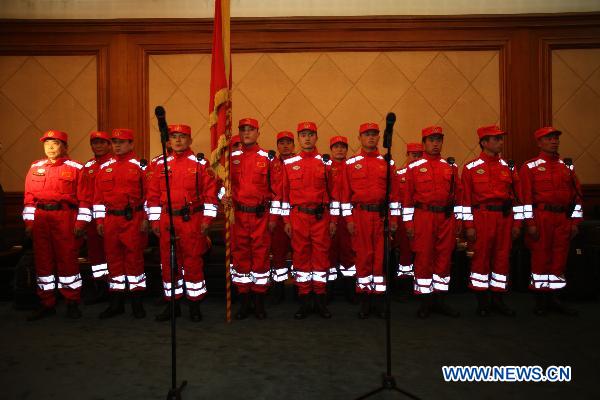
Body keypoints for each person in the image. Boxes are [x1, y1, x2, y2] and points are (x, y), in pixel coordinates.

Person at [147, 124, 217, 322]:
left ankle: (195, 305)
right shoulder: (159, 165)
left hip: (191, 221)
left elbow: (210, 196)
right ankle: (172, 304)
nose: (178, 140)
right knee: (169, 265)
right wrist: (154, 220)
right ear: (169, 141)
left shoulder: (200, 165)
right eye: (174, 136)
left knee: (193, 263)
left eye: (182, 137)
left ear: (190, 140)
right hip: (167, 220)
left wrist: (207, 220)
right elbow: (152, 196)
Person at [23, 130, 87, 320]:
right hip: (41, 219)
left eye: (55, 143)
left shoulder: (76, 168)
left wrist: (81, 222)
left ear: (65, 147)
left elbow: (85, 199)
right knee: (43, 262)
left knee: (67, 261)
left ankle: (72, 302)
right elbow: (29, 199)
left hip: (65, 217)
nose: (50, 147)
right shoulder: (35, 167)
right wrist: (29, 222)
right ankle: (46, 303)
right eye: (47, 143)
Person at [519, 126, 583, 316]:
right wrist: (530, 223)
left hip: (562, 218)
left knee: (559, 259)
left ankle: (554, 297)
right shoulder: (529, 167)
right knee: (540, 258)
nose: (554, 141)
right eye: (549, 138)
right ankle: (540, 299)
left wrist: (575, 223)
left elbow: (577, 197)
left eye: (556, 138)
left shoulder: (566, 167)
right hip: (542, 217)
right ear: (539, 143)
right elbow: (525, 200)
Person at [339, 123, 399, 318]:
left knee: (379, 260)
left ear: (379, 138)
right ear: (360, 138)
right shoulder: (350, 164)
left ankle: (378, 300)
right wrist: (348, 219)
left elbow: (395, 196)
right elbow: (345, 196)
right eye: (367, 135)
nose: (371, 138)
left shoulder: (387, 163)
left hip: (381, 217)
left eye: (374, 134)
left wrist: (394, 219)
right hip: (360, 216)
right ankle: (365, 300)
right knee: (363, 258)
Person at [460, 125, 522, 317]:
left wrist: (517, 224)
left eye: (501, 139)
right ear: (484, 142)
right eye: (496, 139)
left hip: (504, 219)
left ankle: (498, 299)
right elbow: (465, 202)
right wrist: (469, 226)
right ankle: (482, 301)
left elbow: (518, 199)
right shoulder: (470, 168)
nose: (500, 142)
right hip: (482, 218)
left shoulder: (509, 167)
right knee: (481, 259)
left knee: (502, 258)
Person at [402, 126, 461, 318]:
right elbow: (408, 200)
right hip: (423, 217)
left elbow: (458, 196)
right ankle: (425, 302)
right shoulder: (413, 167)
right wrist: (409, 224)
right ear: (424, 143)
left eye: (439, 140)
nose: (436, 144)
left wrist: (458, 222)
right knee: (424, 258)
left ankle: (440, 300)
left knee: (444, 258)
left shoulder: (451, 167)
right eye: (431, 140)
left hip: (445, 218)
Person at [280, 121, 336, 319]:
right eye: (303, 134)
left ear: (316, 137)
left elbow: (333, 194)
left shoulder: (326, 162)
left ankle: (320, 300)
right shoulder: (288, 164)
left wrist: (333, 221)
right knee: (301, 258)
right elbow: (284, 196)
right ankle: (304, 300)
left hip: (321, 217)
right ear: (299, 139)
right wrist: (287, 220)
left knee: (321, 259)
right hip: (298, 217)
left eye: (311, 134)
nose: (307, 138)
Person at [93, 128, 148, 319]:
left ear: (131, 144)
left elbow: (150, 196)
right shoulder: (104, 167)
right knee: (113, 262)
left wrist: (145, 219)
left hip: (132, 219)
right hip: (110, 220)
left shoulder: (141, 166)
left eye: (122, 142)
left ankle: (137, 303)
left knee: (134, 261)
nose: (117, 145)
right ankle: (116, 304)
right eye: (114, 142)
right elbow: (98, 198)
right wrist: (100, 220)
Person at [228, 118, 278, 320]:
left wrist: (274, 217)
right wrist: (223, 196)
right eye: (243, 130)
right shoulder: (230, 158)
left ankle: (258, 302)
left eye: (250, 130)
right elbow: (222, 185)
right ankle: (244, 301)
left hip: (260, 216)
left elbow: (277, 192)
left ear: (258, 132)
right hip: (238, 216)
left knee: (260, 258)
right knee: (241, 259)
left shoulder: (268, 158)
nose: (246, 133)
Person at [80, 131, 113, 303]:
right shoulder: (87, 167)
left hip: (113, 216)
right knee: (96, 256)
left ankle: (115, 289)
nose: (98, 146)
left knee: (113, 254)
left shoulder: (116, 163)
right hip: (93, 219)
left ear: (109, 145)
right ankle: (101, 288)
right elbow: (84, 196)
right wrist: (83, 221)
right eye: (95, 143)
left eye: (102, 143)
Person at [328, 135, 356, 303]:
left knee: (349, 254)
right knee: (330, 254)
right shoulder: (325, 167)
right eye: (336, 146)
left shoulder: (353, 167)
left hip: (348, 219)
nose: (339, 149)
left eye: (343, 146)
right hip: (330, 219)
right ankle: (329, 291)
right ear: (331, 149)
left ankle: (350, 291)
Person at [269, 131, 296, 303]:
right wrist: (271, 218)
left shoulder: (299, 163)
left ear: (294, 145)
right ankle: (278, 292)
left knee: (300, 254)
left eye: (288, 142)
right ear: (277, 145)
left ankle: (300, 290)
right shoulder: (271, 164)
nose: (285, 145)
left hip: (298, 216)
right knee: (278, 255)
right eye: (281, 142)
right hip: (278, 219)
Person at [394, 142, 423, 280]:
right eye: (413, 155)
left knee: (422, 251)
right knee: (405, 252)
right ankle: (404, 284)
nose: (416, 158)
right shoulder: (399, 174)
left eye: (419, 155)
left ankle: (420, 280)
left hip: (422, 218)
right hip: (402, 220)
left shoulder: (425, 173)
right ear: (407, 155)